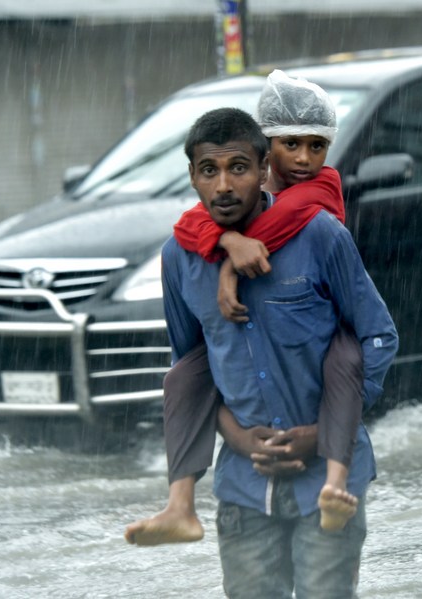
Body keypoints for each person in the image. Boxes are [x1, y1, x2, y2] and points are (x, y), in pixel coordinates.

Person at [124, 71, 368, 547]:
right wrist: (229, 239)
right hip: (245, 480)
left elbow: (280, 229)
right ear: (265, 149)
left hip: (322, 333)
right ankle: (180, 505)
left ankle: (335, 481)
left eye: (317, 145)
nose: (303, 158)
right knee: (185, 373)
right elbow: (188, 225)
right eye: (290, 143)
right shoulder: (234, 190)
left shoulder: (320, 191)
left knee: (348, 358)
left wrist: (232, 265)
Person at [162, 106, 397, 597]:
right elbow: (194, 368)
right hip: (244, 487)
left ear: (265, 168)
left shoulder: (320, 235)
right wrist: (238, 437)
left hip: (329, 483)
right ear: (192, 177)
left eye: (238, 168)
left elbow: (377, 337)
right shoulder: (179, 257)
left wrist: (326, 433)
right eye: (209, 171)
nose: (224, 186)